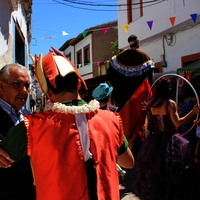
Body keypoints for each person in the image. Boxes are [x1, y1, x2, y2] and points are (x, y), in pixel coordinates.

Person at [0, 47, 134, 200]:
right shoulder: (111, 119)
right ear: (78, 83)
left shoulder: (32, 125)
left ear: (48, 93)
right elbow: (128, 162)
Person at [132, 77, 200, 200]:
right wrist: (193, 112)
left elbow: (151, 125)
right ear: (168, 89)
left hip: (155, 142)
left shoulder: (151, 104)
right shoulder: (169, 103)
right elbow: (178, 123)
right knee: (173, 173)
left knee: (157, 173)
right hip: (170, 141)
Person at [0, 63, 35, 199]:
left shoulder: (27, 114)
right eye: (17, 84)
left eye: (27, 85)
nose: (24, 90)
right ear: (2, 86)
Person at [106, 34, 154, 111]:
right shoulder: (144, 56)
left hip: (123, 96)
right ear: (137, 42)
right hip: (139, 95)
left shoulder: (120, 57)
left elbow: (111, 75)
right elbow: (150, 78)